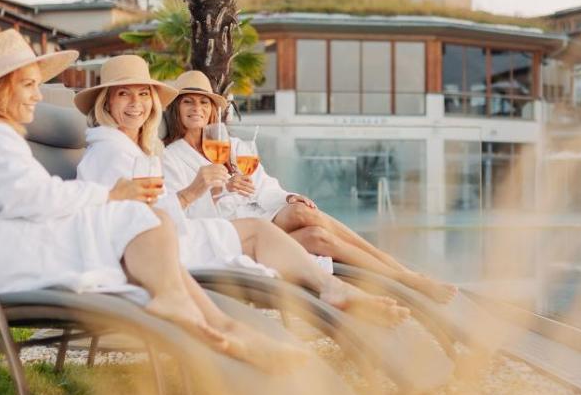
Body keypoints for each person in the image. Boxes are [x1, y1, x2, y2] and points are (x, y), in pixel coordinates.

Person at [0, 30, 303, 373]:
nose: (38, 94)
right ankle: (202, 316)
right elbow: (32, 197)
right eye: (29, 85)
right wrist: (109, 194)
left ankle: (210, 320)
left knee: (144, 221)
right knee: (137, 219)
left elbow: (26, 197)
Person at [75, 56, 408, 327]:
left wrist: (282, 197)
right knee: (288, 233)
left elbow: (262, 185)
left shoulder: (139, 149)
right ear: (107, 102)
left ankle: (372, 278)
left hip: (185, 231)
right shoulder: (117, 153)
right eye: (124, 94)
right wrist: (199, 192)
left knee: (293, 221)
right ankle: (353, 284)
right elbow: (136, 219)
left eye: (144, 94)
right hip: (154, 249)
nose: (136, 103)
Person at [162, 71, 458, 304]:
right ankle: (405, 279)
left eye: (203, 102)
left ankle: (401, 272)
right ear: (176, 108)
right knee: (317, 236)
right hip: (233, 235)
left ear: (212, 110)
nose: (197, 108)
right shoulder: (170, 157)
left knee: (304, 213)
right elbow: (182, 218)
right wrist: (217, 190)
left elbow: (263, 187)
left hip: (261, 217)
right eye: (188, 102)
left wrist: (288, 196)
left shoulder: (232, 145)